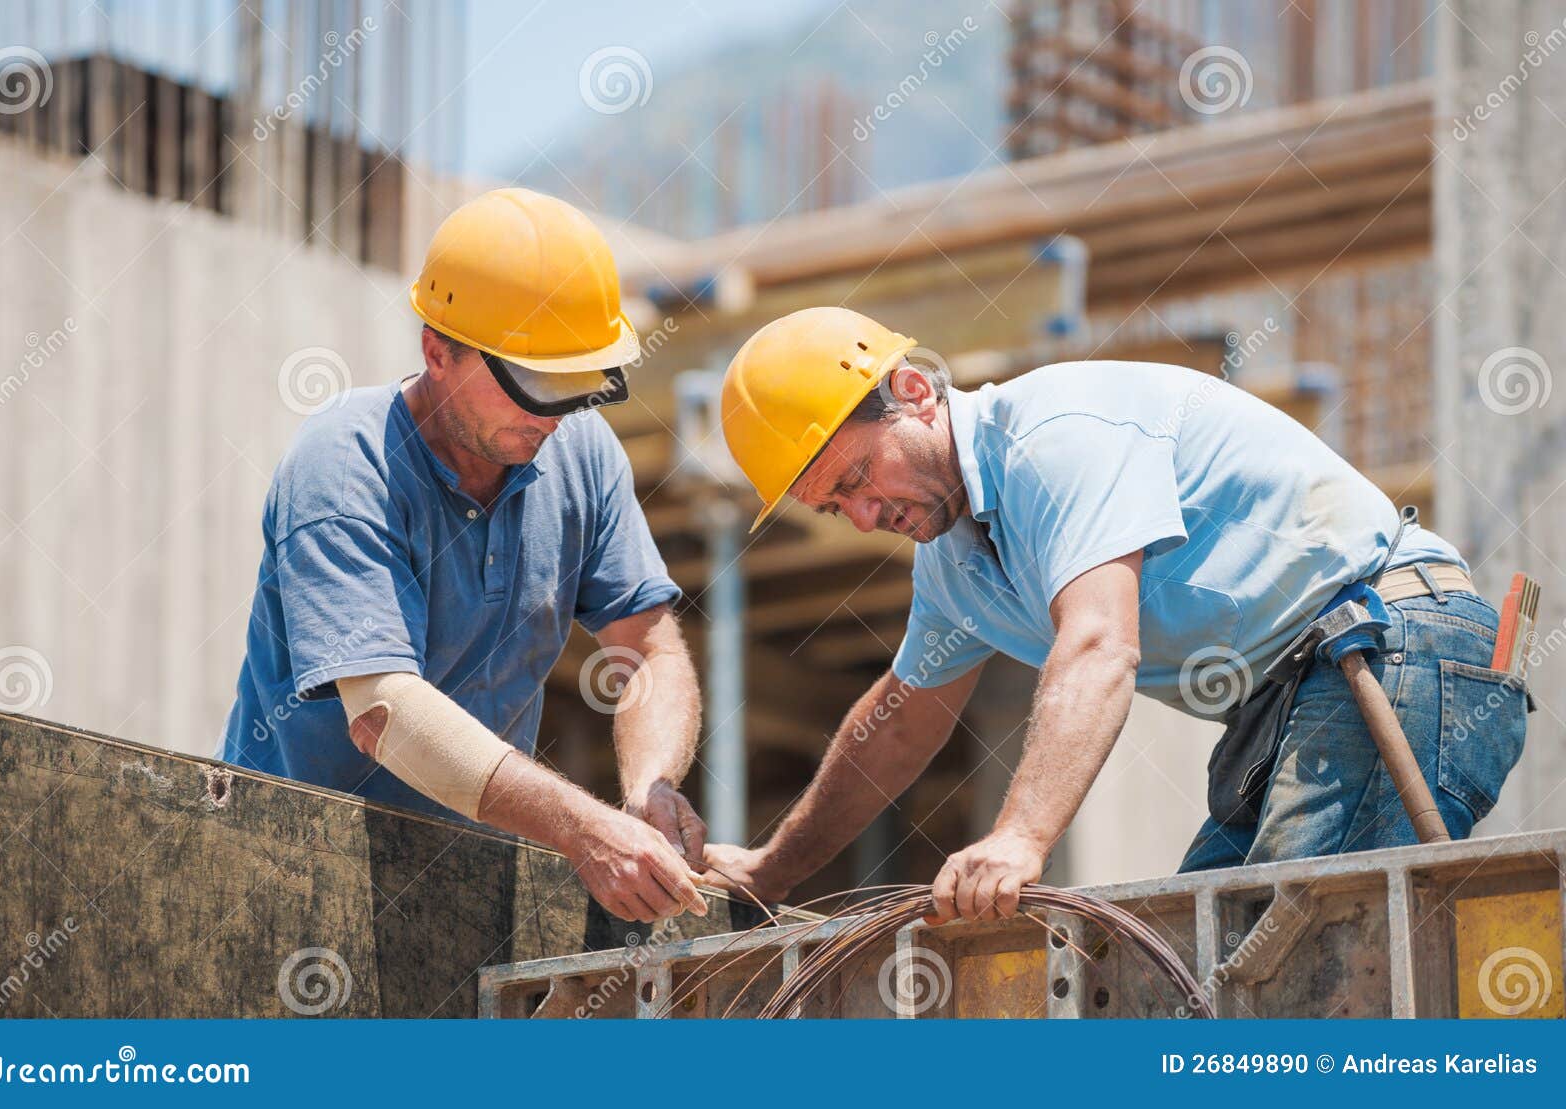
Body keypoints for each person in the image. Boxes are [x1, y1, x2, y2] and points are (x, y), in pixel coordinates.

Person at [701, 306, 1527, 922]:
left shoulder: (1053, 438)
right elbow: (896, 727)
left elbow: (1099, 646)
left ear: (914, 392)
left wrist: (1020, 838)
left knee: (1287, 966)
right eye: (835, 507)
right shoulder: (954, 562)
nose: (865, 514)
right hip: (1298, 700)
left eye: (856, 478)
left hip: (1398, 644)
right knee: (1186, 974)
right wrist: (771, 870)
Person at [219, 189, 707, 923]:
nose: (552, 414)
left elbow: (651, 650)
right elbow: (386, 712)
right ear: (436, 351)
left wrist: (650, 790)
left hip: (464, 887)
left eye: (574, 385)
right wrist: (581, 827)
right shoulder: (345, 466)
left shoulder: (581, 454)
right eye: (531, 384)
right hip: (286, 874)